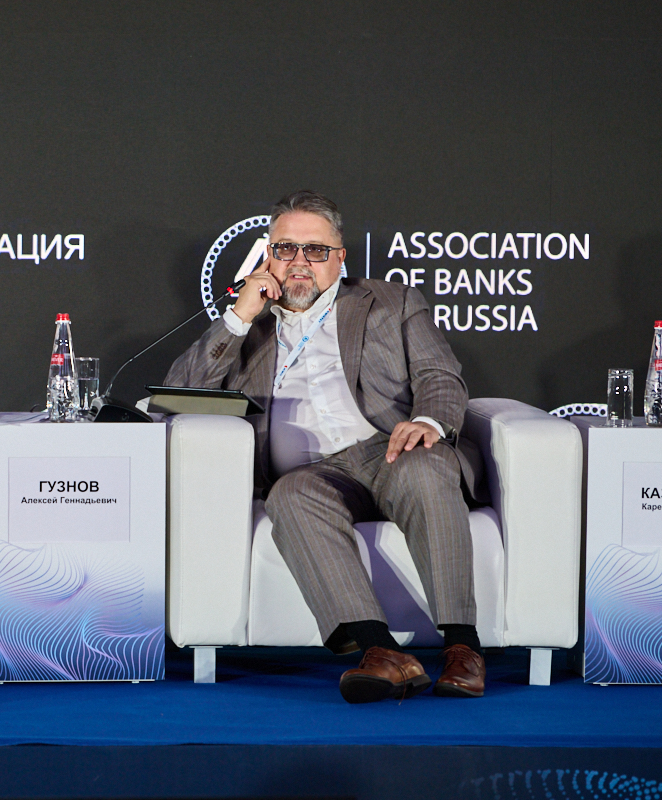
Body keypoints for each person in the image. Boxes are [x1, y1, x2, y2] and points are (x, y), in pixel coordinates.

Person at [166, 190, 486, 703]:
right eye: (285, 249)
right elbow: (179, 393)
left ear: (339, 258)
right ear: (267, 255)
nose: (299, 262)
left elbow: (440, 375)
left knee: (424, 470)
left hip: (392, 450)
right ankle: (383, 654)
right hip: (313, 475)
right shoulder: (250, 324)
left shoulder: (391, 302)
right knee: (290, 497)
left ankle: (463, 650)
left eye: (315, 250)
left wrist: (427, 420)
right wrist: (238, 316)